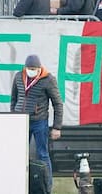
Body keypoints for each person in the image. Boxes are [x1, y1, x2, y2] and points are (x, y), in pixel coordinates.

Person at [10, 54, 63, 188]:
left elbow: (57, 103)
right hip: (20, 121)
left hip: (39, 121)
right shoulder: (18, 76)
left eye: (34, 68)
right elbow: (14, 99)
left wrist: (57, 127)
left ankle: (47, 187)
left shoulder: (48, 79)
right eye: (29, 68)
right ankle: (18, 185)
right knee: (18, 154)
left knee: (43, 154)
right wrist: (12, 117)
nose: (31, 70)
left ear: (39, 68)